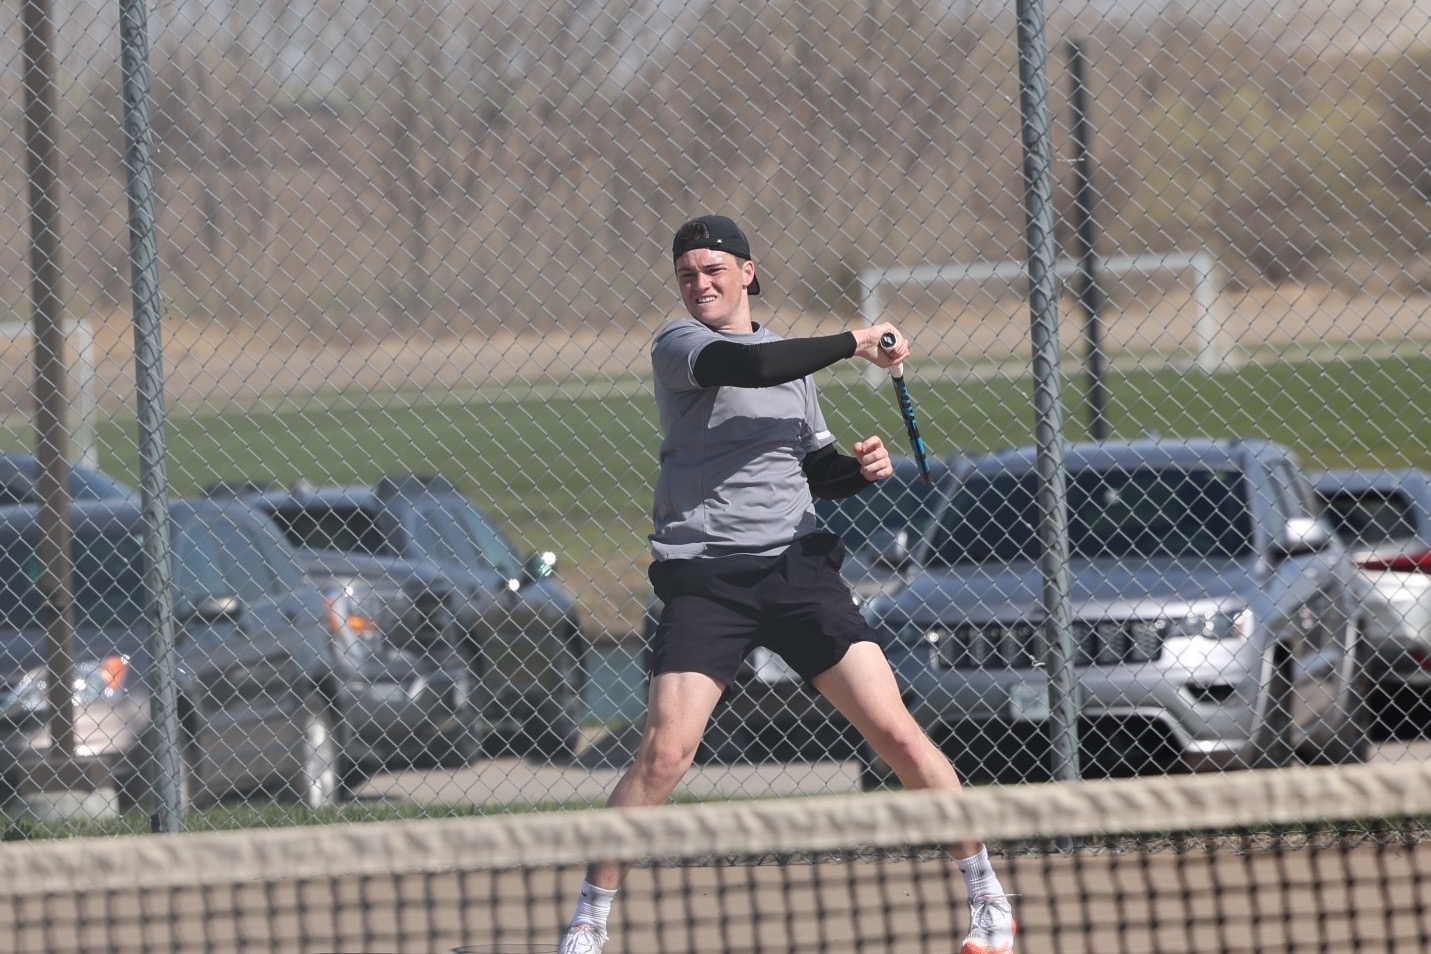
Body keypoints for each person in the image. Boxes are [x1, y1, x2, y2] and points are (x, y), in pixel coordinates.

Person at [557, 214, 1016, 954]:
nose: (699, 284)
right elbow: (752, 369)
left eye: (713, 270)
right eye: (686, 274)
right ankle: (588, 922)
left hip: (798, 570)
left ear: (747, 272)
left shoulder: (791, 364)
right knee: (664, 756)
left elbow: (813, 466)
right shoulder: (682, 346)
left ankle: (987, 898)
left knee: (896, 732)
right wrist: (855, 341)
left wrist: (859, 471)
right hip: (705, 578)